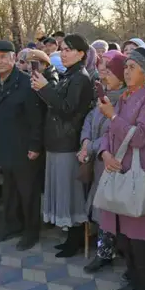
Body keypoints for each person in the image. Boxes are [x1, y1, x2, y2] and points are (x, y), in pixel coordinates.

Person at [97, 45, 145, 290]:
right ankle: (134, 280)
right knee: (126, 236)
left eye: (132, 67)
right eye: (125, 67)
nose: (126, 72)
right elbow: (109, 132)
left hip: (142, 176)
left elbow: (139, 136)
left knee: (142, 238)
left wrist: (112, 116)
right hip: (119, 172)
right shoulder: (126, 96)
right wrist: (104, 152)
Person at [31, 33, 94, 257]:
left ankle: (75, 238)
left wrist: (45, 88)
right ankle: (70, 236)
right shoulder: (70, 75)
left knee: (71, 192)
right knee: (62, 190)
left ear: (81, 54)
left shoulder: (81, 78)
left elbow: (67, 109)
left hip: (68, 142)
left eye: (68, 50)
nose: (63, 53)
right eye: (62, 49)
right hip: (58, 141)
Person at [0, 40, 46, 250]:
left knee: (28, 192)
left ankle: (31, 232)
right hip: (4, 146)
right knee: (9, 190)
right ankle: (13, 225)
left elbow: (36, 118)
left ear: (14, 58)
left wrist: (35, 146)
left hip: (25, 148)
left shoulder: (25, 83)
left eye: (4, 57)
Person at [81, 50, 126, 272]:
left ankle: (109, 251)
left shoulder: (124, 101)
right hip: (99, 162)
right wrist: (86, 141)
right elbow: (90, 119)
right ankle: (104, 251)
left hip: (113, 163)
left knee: (112, 209)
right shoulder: (103, 98)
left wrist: (92, 146)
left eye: (109, 73)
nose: (104, 77)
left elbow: (114, 133)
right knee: (101, 209)